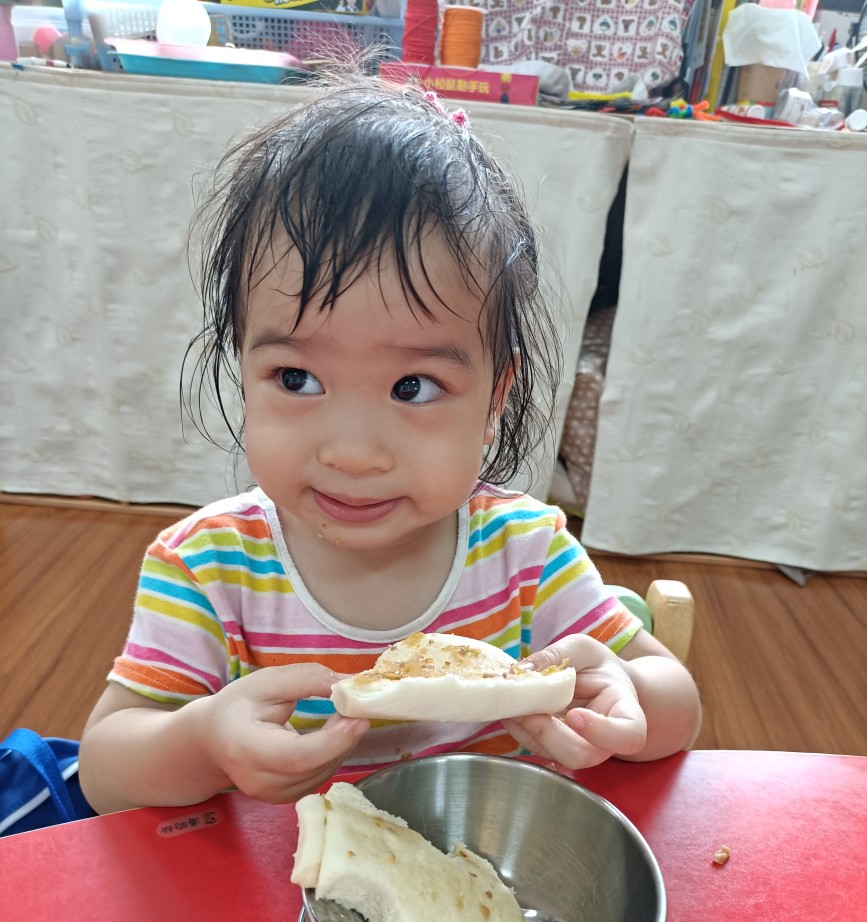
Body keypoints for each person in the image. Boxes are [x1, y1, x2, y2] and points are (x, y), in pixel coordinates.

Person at [78, 74, 701, 815]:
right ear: (242, 369)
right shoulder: (208, 570)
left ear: (495, 398)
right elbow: (105, 772)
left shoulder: (526, 555)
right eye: (297, 378)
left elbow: (678, 709)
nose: (353, 453)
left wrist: (617, 692)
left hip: (487, 868)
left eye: (413, 387)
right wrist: (202, 742)